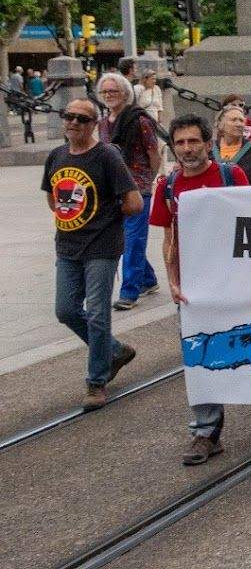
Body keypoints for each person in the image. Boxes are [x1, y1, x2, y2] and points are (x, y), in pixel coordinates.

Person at [154, 114, 251, 464]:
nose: (187, 149)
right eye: (180, 143)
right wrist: (173, 280)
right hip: (195, 286)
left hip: (235, 279)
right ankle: (206, 431)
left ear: (207, 143)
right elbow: (169, 239)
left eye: (193, 141)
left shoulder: (231, 176)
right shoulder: (168, 186)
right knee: (198, 356)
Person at [43, 98, 142, 410]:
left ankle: (96, 381)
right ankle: (114, 351)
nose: (73, 122)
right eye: (68, 116)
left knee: (98, 313)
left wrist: (106, 220)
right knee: (66, 310)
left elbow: (135, 203)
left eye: (81, 119)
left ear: (94, 124)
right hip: (68, 246)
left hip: (101, 246)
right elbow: (53, 199)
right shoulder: (56, 156)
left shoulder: (107, 156)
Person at [96, 72, 161, 311]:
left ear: (125, 93)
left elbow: (154, 153)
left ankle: (129, 292)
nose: (109, 95)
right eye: (104, 92)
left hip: (137, 187)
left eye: (113, 91)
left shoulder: (139, 120)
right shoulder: (103, 123)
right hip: (114, 189)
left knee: (133, 240)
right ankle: (148, 279)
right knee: (124, 240)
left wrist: (147, 182)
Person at [214, 104, 251, 187]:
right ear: (221, 124)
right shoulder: (210, 149)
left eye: (241, 120)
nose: (239, 124)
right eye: (233, 120)